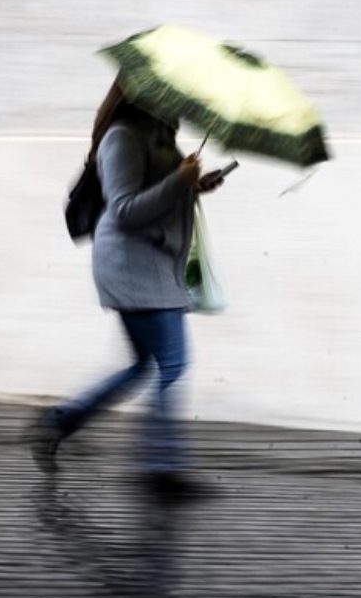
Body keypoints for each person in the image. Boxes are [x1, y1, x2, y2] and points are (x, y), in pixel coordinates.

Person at [30, 79, 225, 493]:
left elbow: (161, 195)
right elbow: (126, 210)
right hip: (132, 265)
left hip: (153, 264)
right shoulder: (121, 138)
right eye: (170, 93)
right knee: (171, 364)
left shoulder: (159, 138)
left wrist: (195, 185)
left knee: (143, 367)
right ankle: (160, 467)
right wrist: (179, 181)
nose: (179, 100)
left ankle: (59, 422)